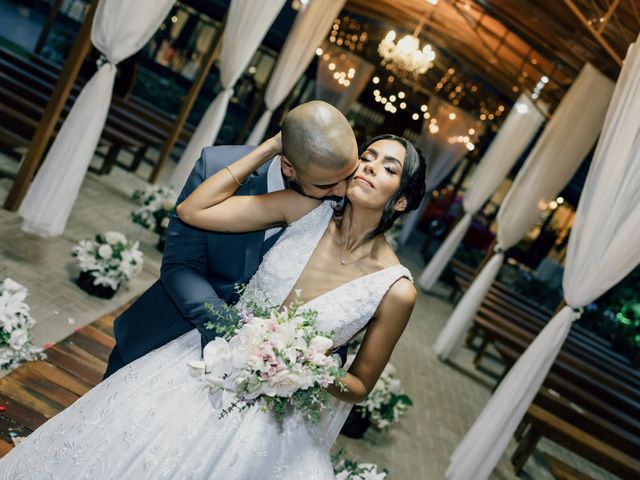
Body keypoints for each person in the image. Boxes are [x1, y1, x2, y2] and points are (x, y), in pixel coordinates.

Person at [0, 134, 427, 478]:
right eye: (368, 156)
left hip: (271, 417)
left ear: (402, 200)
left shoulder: (395, 289)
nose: (371, 166)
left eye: (389, 167)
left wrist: (300, 366)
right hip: (205, 366)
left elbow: (359, 386)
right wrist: (270, 148)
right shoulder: (306, 209)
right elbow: (194, 209)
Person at [103, 101, 359, 378]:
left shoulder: (343, 205)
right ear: (288, 166)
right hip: (166, 333)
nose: (343, 190)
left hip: (256, 375)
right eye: (327, 184)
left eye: (349, 176)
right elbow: (181, 265)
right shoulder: (216, 166)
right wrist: (237, 333)